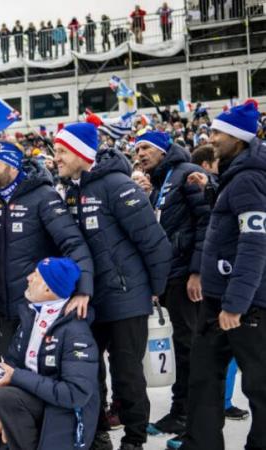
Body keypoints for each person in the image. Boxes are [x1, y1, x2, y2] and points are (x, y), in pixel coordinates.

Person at [55, 123, 172, 450]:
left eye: (62, 151)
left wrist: (154, 290)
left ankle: (135, 440)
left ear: (81, 152)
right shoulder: (70, 189)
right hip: (89, 299)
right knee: (88, 371)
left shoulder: (118, 185)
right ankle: (97, 433)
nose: (56, 158)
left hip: (127, 298)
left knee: (127, 375)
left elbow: (155, 244)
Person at [181, 100, 266, 450]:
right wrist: (213, 187)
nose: (211, 137)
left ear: (238, 138)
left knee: (259, 386)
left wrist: (235, 305)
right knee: (202, 379)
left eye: (218, 132)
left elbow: (254, 245)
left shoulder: (250, 179)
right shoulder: (234, 175)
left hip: (243, 305)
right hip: (218, 301)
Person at [0, 140, 94, 353]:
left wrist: (83, 290)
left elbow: (73, 244)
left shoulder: (43, 196)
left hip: (38, 307)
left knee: (40, 378)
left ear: (12, 165)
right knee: (12, 376)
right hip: (3, 310)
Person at [133, 132, 211, 437]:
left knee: (190, 346)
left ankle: (190, 415)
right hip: (169, 275)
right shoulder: (164, 179)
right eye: (136, 148)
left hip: (185, 276)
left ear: (164, 149)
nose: (139, 154)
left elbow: (207, 223)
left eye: (146, 148)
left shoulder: (187, 174)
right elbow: (162, 223)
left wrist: (197, 272)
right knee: (180, 346)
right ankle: (180, 410)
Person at [0, 257, 99, 450]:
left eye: (36, 275)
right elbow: (12, 365)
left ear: (48, 289)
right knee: (5, 398)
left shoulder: (75, 331)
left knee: (9, 394)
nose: (29, 278)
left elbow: (75, 394)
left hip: (66, 416)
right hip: (38, 406)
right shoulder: (31, 317)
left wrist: (16, 377)